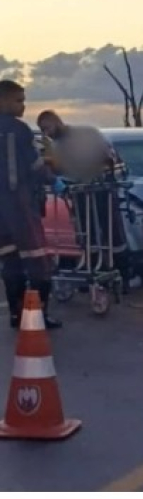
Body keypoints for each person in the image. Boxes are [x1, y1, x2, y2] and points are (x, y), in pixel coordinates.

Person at [36, 110, 132, 291]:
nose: (46, 133)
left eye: (47, 127)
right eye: (42, 130)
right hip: (79, 193)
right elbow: (62, 170)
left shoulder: (86, 134)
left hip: (101, 189)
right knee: (86, 234)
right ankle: (93, 272)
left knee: (112, 232)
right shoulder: (56, 146)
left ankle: (122, 274)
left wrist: (101, 177)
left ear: (56, 122)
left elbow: (110, 160)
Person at [0, 80, 63, 329]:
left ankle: (16, 315)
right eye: (19, 101)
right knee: (38, 259)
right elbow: (35, 166)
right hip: (20, 204)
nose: (23, 107)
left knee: (10, 260)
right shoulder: (19, 130)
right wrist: (54, 180)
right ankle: (38, 316)